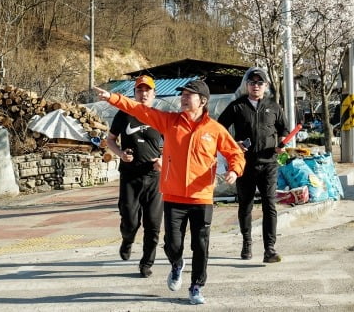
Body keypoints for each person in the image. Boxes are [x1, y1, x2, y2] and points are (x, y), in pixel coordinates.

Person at [95, 80, 245, 305]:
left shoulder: (214, 129)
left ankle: (196, 286)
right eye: (182, 94)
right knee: (172, 245)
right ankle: (176, 264)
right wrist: (112, 97)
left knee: (201, 245)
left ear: (202, 101)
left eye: (189, 95)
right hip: (174, 196)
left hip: (201, 196)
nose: (183, 98)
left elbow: (235, 153)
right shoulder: (170, 122)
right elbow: (139, 109)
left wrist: (235, 170)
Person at [217, 67, 289, 263]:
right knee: (245, 206)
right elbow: (218, 128)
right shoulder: (236, 106)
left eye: (259, 83)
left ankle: (270, 248)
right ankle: (247, 243)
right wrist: (233, 143)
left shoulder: (274, 106)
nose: (255, 86)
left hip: (269, 164)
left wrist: (282, 144)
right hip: (245, 165)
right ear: (246, 85)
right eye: (252, 82)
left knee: (270, 205)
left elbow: (284, 129)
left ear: (265, 86)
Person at [106, 75, 163, 279]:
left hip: (154, 178)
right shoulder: (124, 115)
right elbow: (110, 140)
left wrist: (163, 160)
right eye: (140, 90)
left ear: (154, 94)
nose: (144, 93)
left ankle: (147, 262)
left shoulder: (160, 116)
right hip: (130, 177)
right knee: (130, 221)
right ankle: (127, 239)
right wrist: (120, 153)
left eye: (147, 90)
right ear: (134, 93)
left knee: (153, 224)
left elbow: (173, 145)